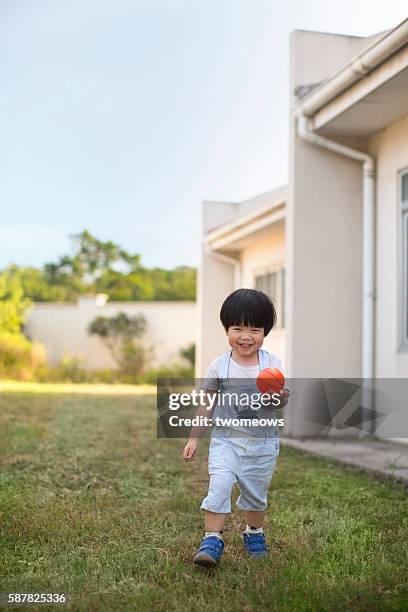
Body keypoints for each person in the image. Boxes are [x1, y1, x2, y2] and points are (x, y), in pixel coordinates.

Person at [182, 288, 289, 567]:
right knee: (219, 486)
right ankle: (212, 539)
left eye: (255, 329)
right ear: (226, 329)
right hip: (226, 442)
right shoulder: (219, 366)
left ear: (265, 331)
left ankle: (254, 532)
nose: (245, 336)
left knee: (255, 495)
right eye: (237, 328)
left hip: (261, 445)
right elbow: (205, 405)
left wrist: (278, 396)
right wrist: (194, 439)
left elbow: (281, 398)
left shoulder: (271, 364)